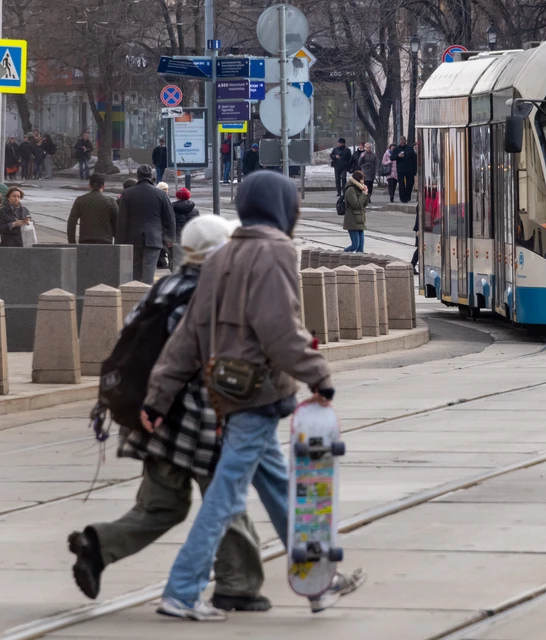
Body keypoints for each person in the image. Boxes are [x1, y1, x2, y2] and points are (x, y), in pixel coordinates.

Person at [142, 171, 366, 621]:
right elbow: (280, 327)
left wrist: (158, 394)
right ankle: (182, 591)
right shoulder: (278, 249)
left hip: (227, 387)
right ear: (284, 205)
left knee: (284, 495)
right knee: (226, 496)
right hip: (259, 391)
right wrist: (319, 376)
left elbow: (191, 331)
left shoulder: (224, 253)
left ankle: (318, 581)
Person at [67, 215, 272, 612]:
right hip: (199, 420)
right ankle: (239, 585)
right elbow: (216, 362)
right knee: (225, 501)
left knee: (162, 505)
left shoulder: (166, 287)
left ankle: (98, 545)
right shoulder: (216, 296)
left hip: (152, 418)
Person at [116, 165, 175, 284]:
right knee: (149, 271)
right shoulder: (160, 194)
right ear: (151, 177)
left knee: (135, 270)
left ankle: (134, 296)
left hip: (132, 239)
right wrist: (170, 238)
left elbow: (122, 220)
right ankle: (147, 298)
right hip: (154, 239)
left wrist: (119, 242)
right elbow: (169, 218)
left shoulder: (127, 194)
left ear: (138, 177)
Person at [67, 173, 118, 244]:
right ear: (103, 186)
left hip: (85, 240)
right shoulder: (111, 201)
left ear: (89, 186)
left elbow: (71, 222)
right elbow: (117, 224)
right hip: (105, 241)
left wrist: (72, 242)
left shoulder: (80, 200)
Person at [343, 170, 369, 252]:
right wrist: (363, 195)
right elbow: (356, 205)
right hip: (352, 220)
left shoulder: (359, 189)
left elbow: (364, 205)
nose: (363, 182)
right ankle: (342, 255)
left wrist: (366, 194)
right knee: (355, 245)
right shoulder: (351, 189)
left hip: (360, 219)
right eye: (362, 179)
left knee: (360, 247)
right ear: (358, 179)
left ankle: (359, 263)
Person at [394, 137, 417, 203]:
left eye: (404, 143)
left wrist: (414, 169)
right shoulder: (397, 149)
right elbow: (392, 157)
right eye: (401, 143)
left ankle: (408, 195)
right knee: (401, 184)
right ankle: (403, 198)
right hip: (401, 169)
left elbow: (414, 159)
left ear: (405, 141)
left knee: (410, 183)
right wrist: (398, 156)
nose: (402, 144)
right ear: (400, 142)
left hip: (409, 169)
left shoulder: (409, 148)